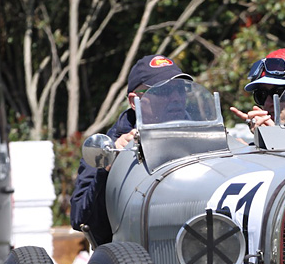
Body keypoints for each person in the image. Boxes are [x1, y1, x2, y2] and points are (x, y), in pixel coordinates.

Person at [70, 54, 193, 246]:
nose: (176, 97)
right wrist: (109, 167)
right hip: (133, 258)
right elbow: (80, 218)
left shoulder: (205, 136)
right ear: (134, 101)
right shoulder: (104, 148)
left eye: (180, 89)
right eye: (163, 91)